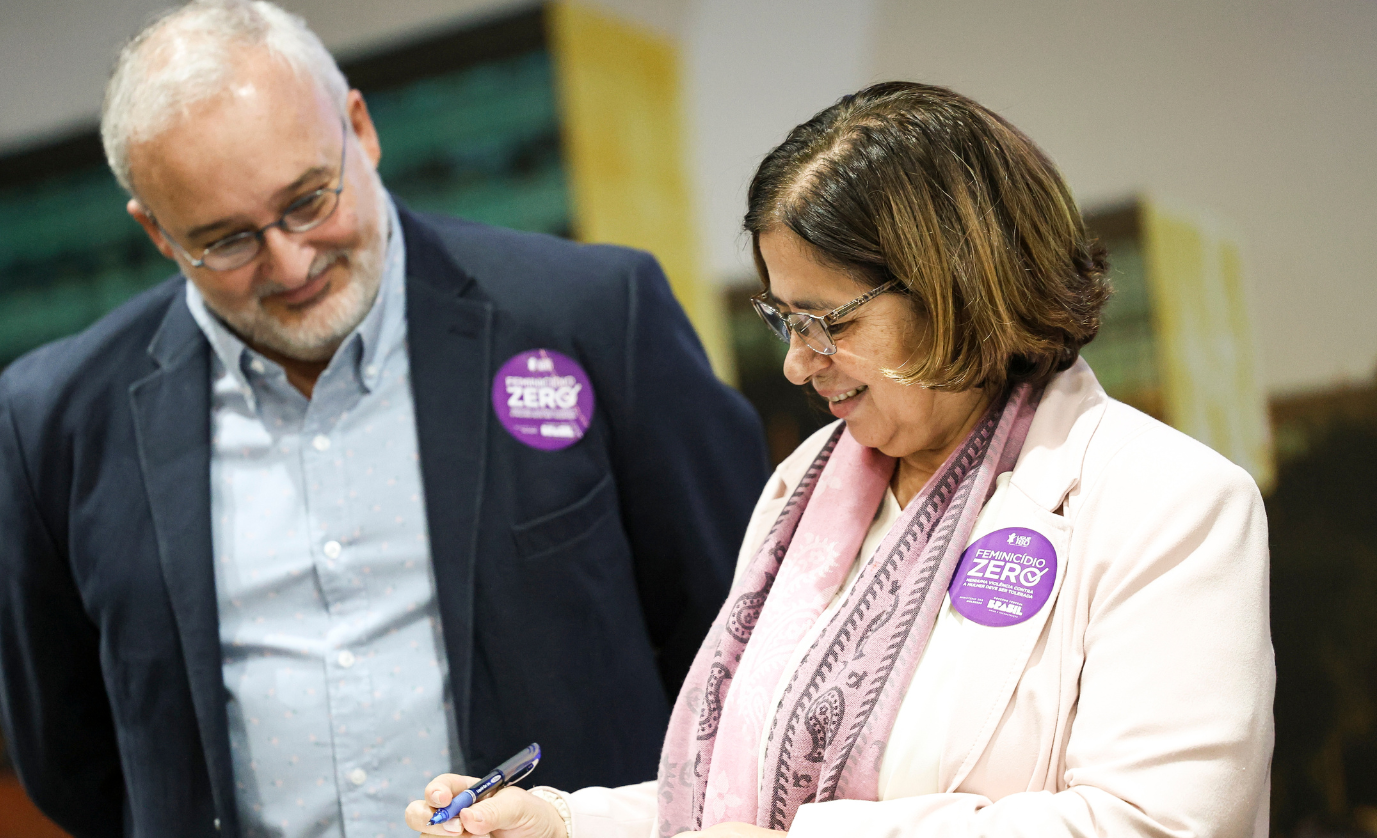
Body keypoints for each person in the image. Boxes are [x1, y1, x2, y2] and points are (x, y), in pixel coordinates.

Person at [0, 0, 769, 838]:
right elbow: (66, 757)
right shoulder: (58, 421)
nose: (289, 262)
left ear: (360, 129)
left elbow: (752, 635)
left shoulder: (592, 318)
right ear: (158, 234)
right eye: (225, 240)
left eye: (309, 200)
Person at [405, 82, 1275, 838]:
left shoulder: (1171, 503)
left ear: (959, 287)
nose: (796, 362)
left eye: (831, 322)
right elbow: (741, 795)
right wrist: (563, 821)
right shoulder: (807, 486)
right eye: (785, 320)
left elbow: (1162, 822)